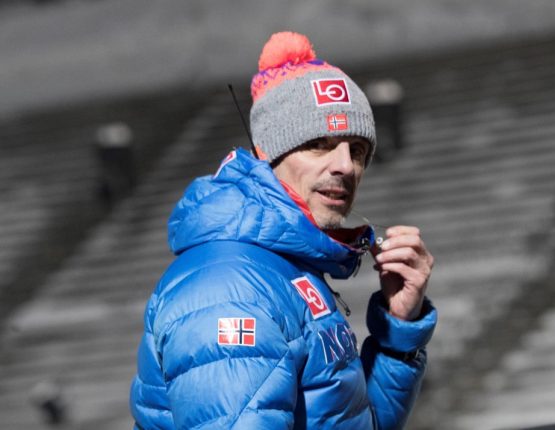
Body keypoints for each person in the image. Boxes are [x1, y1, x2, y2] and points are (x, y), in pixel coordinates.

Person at [130, 32, 437, 430]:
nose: (345, 166)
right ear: (268, 153)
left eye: (357, 150)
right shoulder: (231, 288)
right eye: (319, 144)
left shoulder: (282, 268)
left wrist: (397, 332)